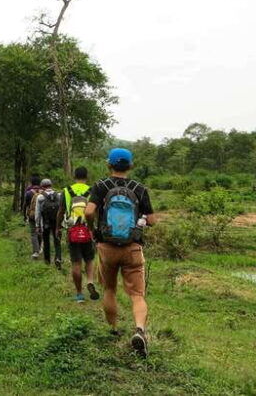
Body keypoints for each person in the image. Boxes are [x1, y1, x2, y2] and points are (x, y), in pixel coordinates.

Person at [85, 148, 156, 358]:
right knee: (137, 295)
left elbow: (89, 211)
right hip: (132, 247)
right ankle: (140, 330)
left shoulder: (100, 186)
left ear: (109, 165)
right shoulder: (139, 188)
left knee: (109, 289)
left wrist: (93, 230)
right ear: (130, 166)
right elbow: (152, 221)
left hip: (106, 247)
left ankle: (113, 330)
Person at [57, 166, 99, 303]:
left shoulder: (66, 191)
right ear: (87, 176)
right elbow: (96, 211)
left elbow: (61, 210)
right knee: (90, 259)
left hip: (72, 231)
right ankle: (90, 280)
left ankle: (80, 294)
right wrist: (94, 229)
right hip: (88, 230)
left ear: (74, 176)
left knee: (76, 263)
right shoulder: (92, 190)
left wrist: (58, 227)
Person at [35, 179, 63, 269]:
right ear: (51, 185)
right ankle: (58, 258)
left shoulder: (40, 197)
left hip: (45, 222)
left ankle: (47, 261)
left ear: (42, 186)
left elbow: (37, 213)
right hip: (57, 222)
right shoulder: (58, 195)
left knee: (46, 241)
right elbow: (62, 210)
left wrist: (37, 225)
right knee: (57, 240)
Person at [22, 175, 43, 259]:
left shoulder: (28, 192)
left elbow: (25, 205)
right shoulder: (43, 192)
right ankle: (40, 247)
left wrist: (24, 215)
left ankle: (36, 251)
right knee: (40, 231)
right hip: (42, 216)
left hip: (32, 215)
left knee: (33, 233)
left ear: (31, 182)